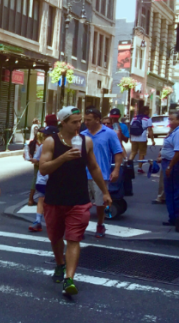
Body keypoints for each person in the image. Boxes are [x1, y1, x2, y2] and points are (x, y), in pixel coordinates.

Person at [39, 106, 111, 295]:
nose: (79, 125)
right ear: (63, 123)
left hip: (79, 200)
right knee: (55, 237)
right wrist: (62, 158)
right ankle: (60, 264)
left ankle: (69, 279)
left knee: (73, 239)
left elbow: (94, 168)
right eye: (74, 122)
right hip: (55, 198)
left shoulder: (86, 141)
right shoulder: (51, 142)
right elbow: (43, 169)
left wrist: (104, 192)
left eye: (80, 121)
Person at [82, 108, 124, 238]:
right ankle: (81, 227)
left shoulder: (109, 133)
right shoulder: (82, 134)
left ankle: (100, 225)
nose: (86, 122)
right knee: (82, 205)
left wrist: (116, 169)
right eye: (85, 119)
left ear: (97, 119)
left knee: (100, 204)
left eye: (89, 119)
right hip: (83, 175)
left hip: (101, 174)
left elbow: (118, 152)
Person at [28, 126, 58, 232]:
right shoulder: (42, 147)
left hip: (55, 180)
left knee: (52, 202)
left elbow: (36, 160)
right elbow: (36, 159)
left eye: (47, 135)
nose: (45, 137)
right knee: (42, 199)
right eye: (45, 135)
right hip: (43, 178)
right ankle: (38, 221)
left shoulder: (59, 147)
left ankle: (47, 222)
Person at [129, 106, 155, 174]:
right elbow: (150, 130)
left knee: (133, 152)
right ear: (145, 111)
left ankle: (128, 166)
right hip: (142, 139)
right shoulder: (147, 119)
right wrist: (152, 140)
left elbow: (131, 128)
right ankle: (139, 168)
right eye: (148, 110)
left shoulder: (134, 118)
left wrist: (130, 138)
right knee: (142, 153)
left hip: (134, 137)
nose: (149, 112)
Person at [23, 128, 40, 206]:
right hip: (41, 162)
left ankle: (31, 199)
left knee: (35, 178)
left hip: (36, 162)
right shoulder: (40, 143)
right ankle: (32, 199)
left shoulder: (34, 142)